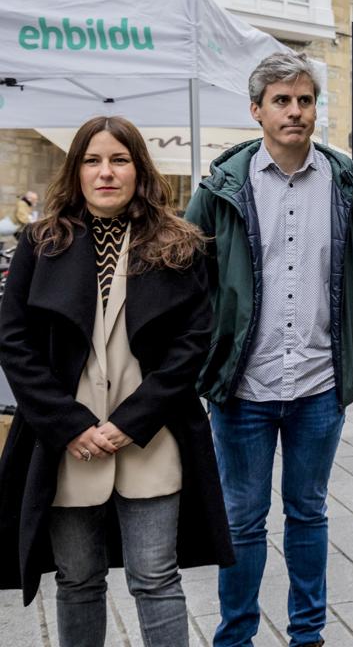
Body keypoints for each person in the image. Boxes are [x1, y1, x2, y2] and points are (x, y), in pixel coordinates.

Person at [0, 116, 233, 646]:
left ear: (139, 169)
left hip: (151, 438)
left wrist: (130, 422)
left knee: (155, 578)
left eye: (119, 160)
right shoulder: (42, 243)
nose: (106, 172)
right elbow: (14, 341)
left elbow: (192, 345)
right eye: (93, 160)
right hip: (66, 443)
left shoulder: (180, 243)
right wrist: (70, 425)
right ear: (76, 170)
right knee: (77, 579)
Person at [185, 51, 353, 647]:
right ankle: (236, 636)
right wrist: (213, 352)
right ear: (257, 110)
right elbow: (191, 279)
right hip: (241, 387)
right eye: (281, 100)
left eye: (304, 100)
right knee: (244, 521)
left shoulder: (350, 185)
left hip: (318, 386)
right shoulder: (223, 186)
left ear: (315, 109)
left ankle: (308, 636)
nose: (295, 111)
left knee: (308, 513)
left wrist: (342, 329)